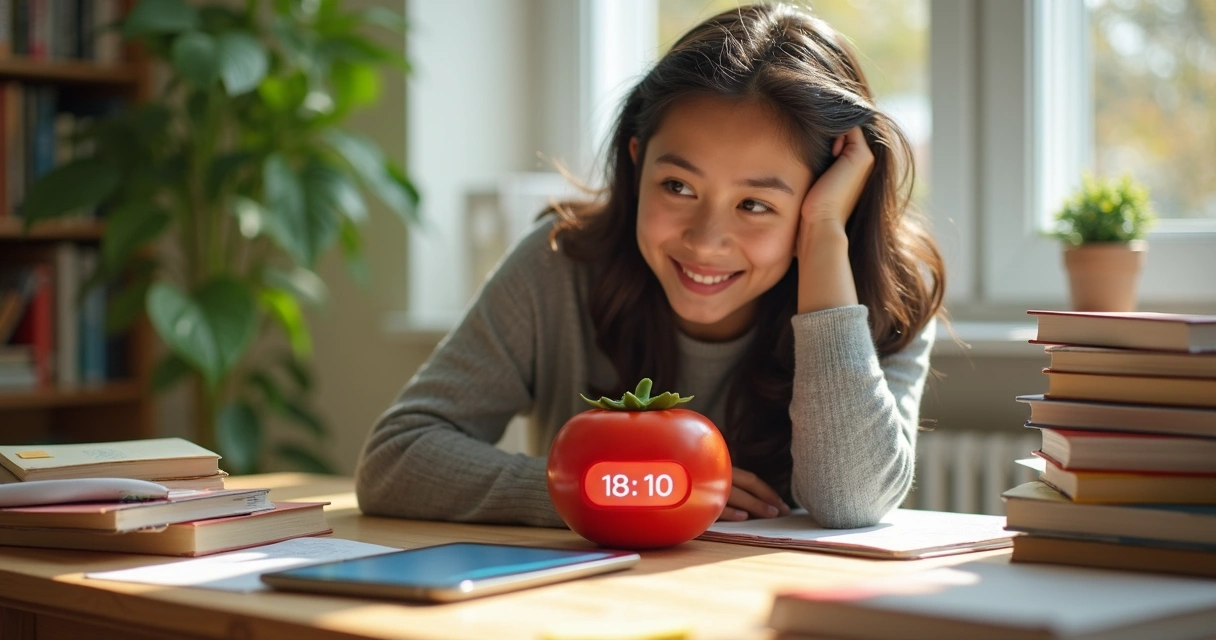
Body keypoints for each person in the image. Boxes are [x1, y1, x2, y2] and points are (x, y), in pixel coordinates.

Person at [355, 3, 945, 529]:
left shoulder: (887, 293)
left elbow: (852, 503)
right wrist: (616, 488)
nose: (707, 240)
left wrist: (822, 242)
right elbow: (396, 457)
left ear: (827, 200)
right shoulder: (560, 263)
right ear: (637, 168)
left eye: (756, 204)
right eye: (678, 186)